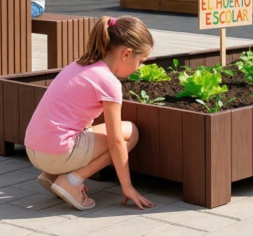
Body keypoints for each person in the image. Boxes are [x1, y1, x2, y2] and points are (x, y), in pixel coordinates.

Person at [24, 16, 156, 211]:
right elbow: (116, 141)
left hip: (34, 149)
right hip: (56, 154)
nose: (140, 67)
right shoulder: (108, 82)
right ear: (127, 54)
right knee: (131, 131)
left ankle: (52, 175)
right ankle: (71, 180)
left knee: (86, 130)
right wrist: (127, 186)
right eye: (141, 61)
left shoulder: (78, 64)